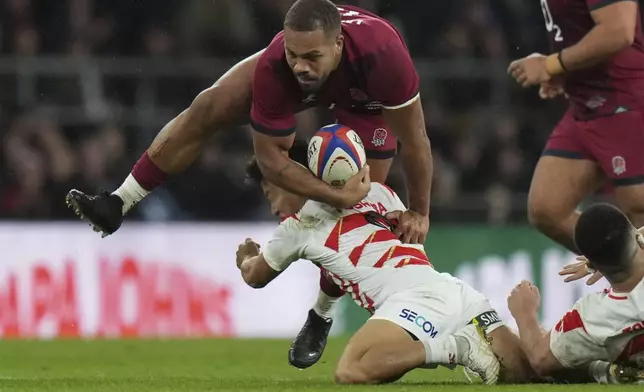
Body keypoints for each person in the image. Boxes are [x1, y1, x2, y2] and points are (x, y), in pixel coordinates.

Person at [66, 0, 434, 369]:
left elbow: (415, 140)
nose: (300, 66)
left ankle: (320, 316)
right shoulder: (278, 66)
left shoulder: (383, 54)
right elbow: (271, 161)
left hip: (365, 104)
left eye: (311, 56)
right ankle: (119, 201)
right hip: (312, 82)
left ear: (338, 44)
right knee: (209, 106)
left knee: (353, 215)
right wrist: (333, 193)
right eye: (293, 53)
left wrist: (418, 210)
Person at [236, 139, 537, 385]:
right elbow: (341, 263)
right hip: (453, 290)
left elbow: (255, 276)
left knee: (353, 370)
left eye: (269, 191)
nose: (273, 206)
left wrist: (247, 255)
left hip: (410, 302)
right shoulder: (381, 193)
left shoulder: (297, 228)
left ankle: (456, 348)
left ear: (291, 179)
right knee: (526, 374)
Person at [507, 0, 644, 252]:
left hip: (625, 100)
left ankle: (631, 281)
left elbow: (619, 30)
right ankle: (624, 272)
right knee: (547, 209)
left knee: (639, 208)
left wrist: (551, 64)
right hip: (585, 105)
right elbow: (578, 25)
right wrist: (565, 71)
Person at [508, 203, 644, 384]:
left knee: (571, 366)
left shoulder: (592, 317)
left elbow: (540, 359)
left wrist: (525, 314)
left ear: (597, 266)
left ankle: (605, 371)